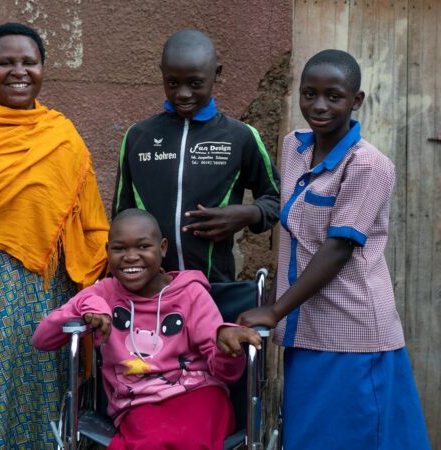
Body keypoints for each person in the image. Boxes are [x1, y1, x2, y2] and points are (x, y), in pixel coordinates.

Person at [238, 50, 431, 449]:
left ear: (355, 100)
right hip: (305, 329)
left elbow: (338, 248)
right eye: (310, 94)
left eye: (334, 96)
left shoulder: (368, 165)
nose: (319, 106)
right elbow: (296, 236)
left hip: (352, 335)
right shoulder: (294, 148)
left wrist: (274, 310)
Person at [0, 23, 110, 449]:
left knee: (38, 388)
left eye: (28, 62)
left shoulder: (62, 135)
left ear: (43, 69)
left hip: (43, 290)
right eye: (6, 63)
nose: (18, 72)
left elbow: (88, 220)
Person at [33, 209, 261, 449]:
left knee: (184, 438)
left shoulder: (191, 294)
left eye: (143, 247)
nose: (131, 257)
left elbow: (228, 374)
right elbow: (42, 339)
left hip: (199, 393)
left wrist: (227, 349)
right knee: (150, 440)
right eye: (120, 249)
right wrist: (86, 307)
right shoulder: (104, 294)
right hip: (138, 402)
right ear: (107, 251)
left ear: (162, 248)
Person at [113, 29, 281, 282]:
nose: (182, 93)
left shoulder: (240, 136)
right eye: (172, 82)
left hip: (214, 289)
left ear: (217, 74)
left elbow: (277, 197)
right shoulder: (138, 137)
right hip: (150, 291)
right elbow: (120, 214)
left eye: (195, 83)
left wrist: (247, 214)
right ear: (162, 73)